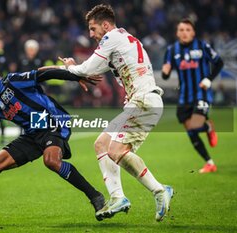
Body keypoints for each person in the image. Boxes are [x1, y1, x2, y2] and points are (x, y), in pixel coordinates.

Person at [43, 4, 173, 222]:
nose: (91, 34)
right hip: (139, 101)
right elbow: (91, 69)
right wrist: (78, 68)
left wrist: (68, 70)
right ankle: (118, 197)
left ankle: (160, 190)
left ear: (105, 25)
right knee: (101, 144)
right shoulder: (123, 40)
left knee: (116, 150)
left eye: (93, 29)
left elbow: (86, 70)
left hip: (144, 101)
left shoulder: (111, 38)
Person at [0, 67, 105, 226]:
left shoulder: (12, 82)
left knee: (51, 161)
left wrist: (76, 77)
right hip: (31, 134)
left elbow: (43, 74)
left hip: (53, 123)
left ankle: (95, 196)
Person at [162, 18, 224, 174]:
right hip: (184, 97)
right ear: (177, 33)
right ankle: (210, 163)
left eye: (188, 30)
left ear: (193, 32)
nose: (184, 33)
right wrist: (165, 71)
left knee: (196, 125)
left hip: (202, 94)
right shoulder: (172, 50)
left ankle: (208, 126)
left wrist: (208, 79)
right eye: (181, 30)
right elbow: (165, 74)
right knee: (191, 131)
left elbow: (219, 62)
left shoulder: (203, 46)